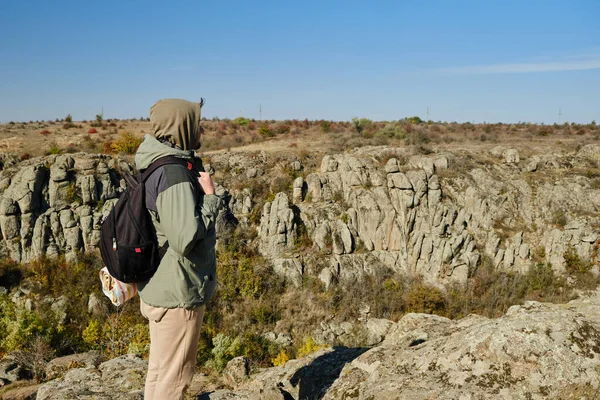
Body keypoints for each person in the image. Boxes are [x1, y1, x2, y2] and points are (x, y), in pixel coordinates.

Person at [134, 98, 220, 399]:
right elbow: (185, 239)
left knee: (159, 374)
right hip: (178, 293)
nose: (202, 128)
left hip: (162, 286)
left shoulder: (156, 163)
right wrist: (210, 197)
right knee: (174, 380)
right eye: (197, 123)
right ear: (181, 127)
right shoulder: (173, 174)